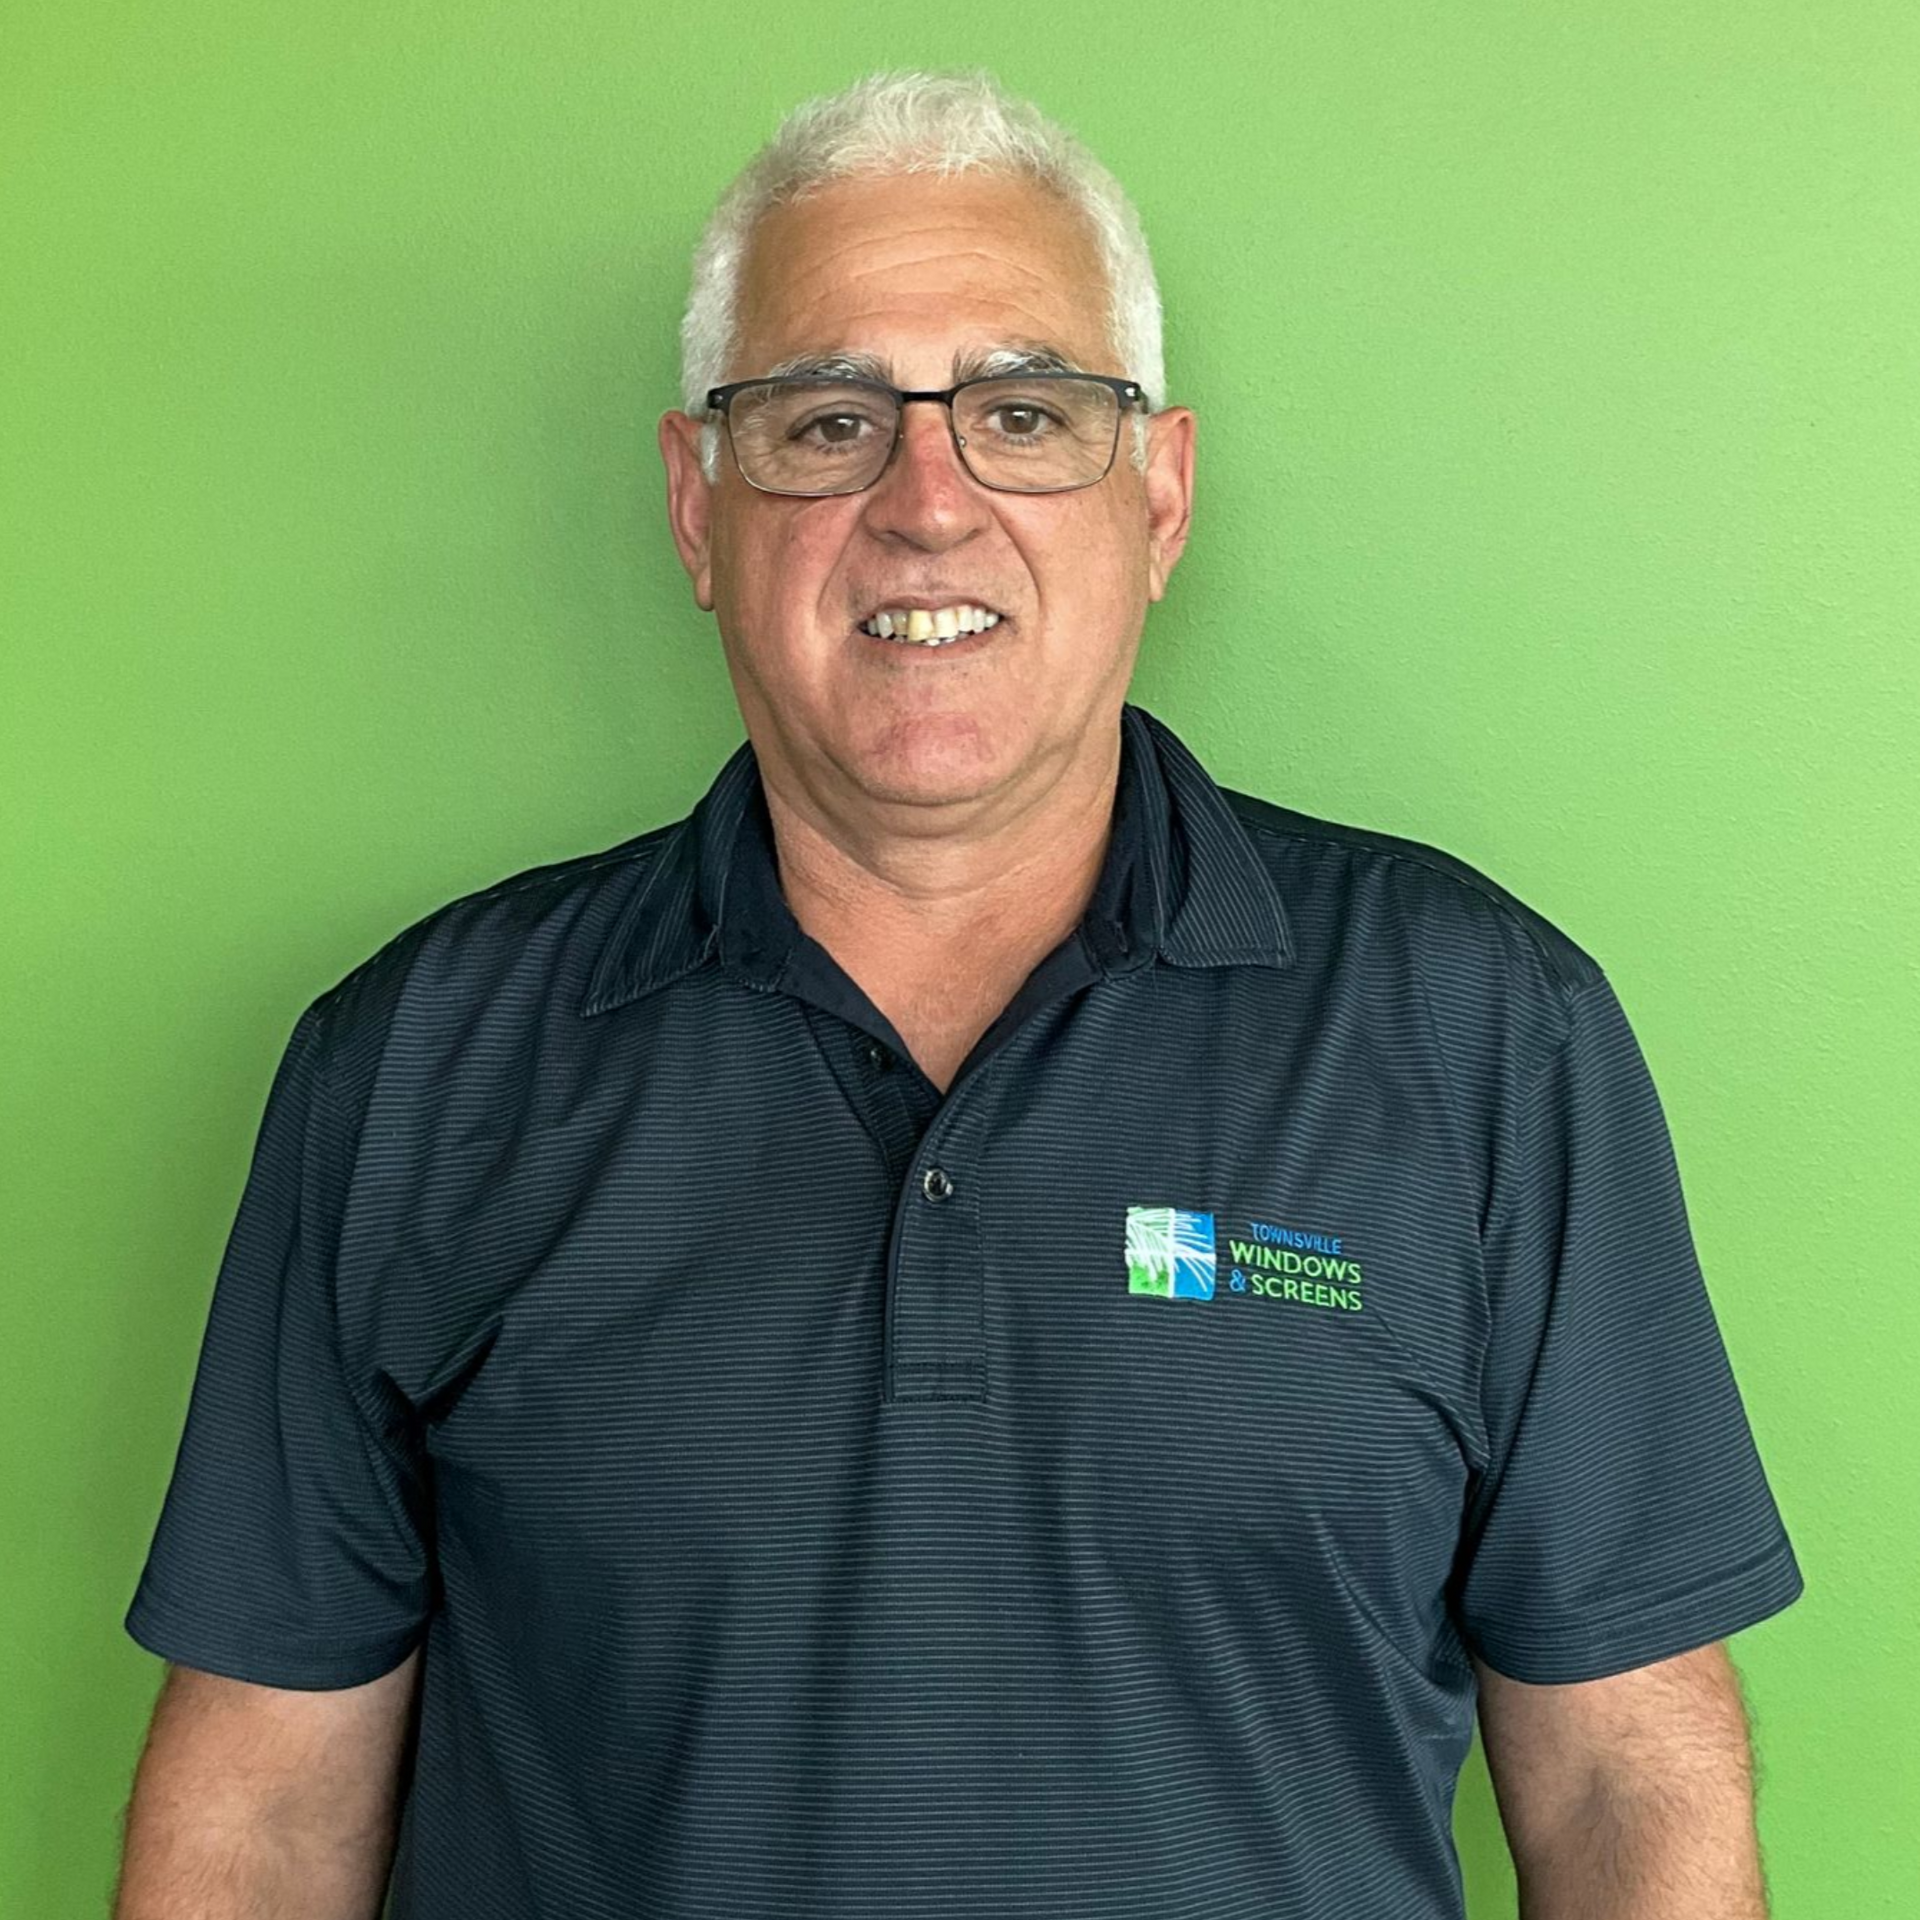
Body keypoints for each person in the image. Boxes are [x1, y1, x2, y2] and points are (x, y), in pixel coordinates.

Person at [116, 67, 1804, 1920]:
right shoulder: (422, 1065)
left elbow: (1628, 1776)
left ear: (1157, 496)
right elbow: (266, 1813)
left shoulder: (1482, 1033)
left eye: (1026, 411)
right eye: (825, 421)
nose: (929, 502)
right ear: (698, 505)